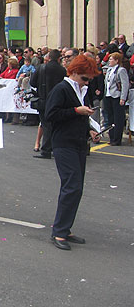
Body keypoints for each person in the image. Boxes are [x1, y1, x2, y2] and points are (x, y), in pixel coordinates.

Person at [46, 55, 101, 251]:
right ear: (75, 72)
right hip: (63, 143)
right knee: (72, 186)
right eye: (85, 78)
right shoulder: (62, 89)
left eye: (89, 79)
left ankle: (65, 227)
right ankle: (59, 231)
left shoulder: (81, 90)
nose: (87, 82)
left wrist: (90, 130)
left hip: (78, 143)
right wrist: (76, 111)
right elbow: (50, 115)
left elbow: (81, 117)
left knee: (76, 187)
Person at [31, 49, 66, 159]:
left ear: (49, 57)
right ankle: (55, 147)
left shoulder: (41, 68)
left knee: (46, 124)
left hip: (43, 99)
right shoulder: (62, 70)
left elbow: (32, 82)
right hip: (58, 100)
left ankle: (46, 150)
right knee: (55, 125)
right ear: (59, 58)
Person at [103, 52, 129, 146]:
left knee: (118, 118)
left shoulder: (121, 70)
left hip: (116, 96)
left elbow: (125, 85)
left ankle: (117, 139)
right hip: (108, 96)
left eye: (111, 59)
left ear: (117, 61)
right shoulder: (109, 70)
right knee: (110, 117)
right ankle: (112, 137)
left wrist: (123, 98)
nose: (109, 61)